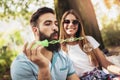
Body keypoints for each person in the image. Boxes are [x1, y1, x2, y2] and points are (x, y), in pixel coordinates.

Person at [10, 7, 80, 80]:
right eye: (48, 24)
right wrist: (43, 67)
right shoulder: (21, 64)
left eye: (56, 24)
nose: (55, 28)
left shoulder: (63, 57)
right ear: (35, 30)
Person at [59, 9, 120, 79]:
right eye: (67, 21)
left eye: (75, 22)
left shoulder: (88, 39)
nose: (71, 24)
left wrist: (118, 70)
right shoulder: (59, 48)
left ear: (79, 25)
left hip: (99, 75)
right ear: (62, 24)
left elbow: (105, 63)